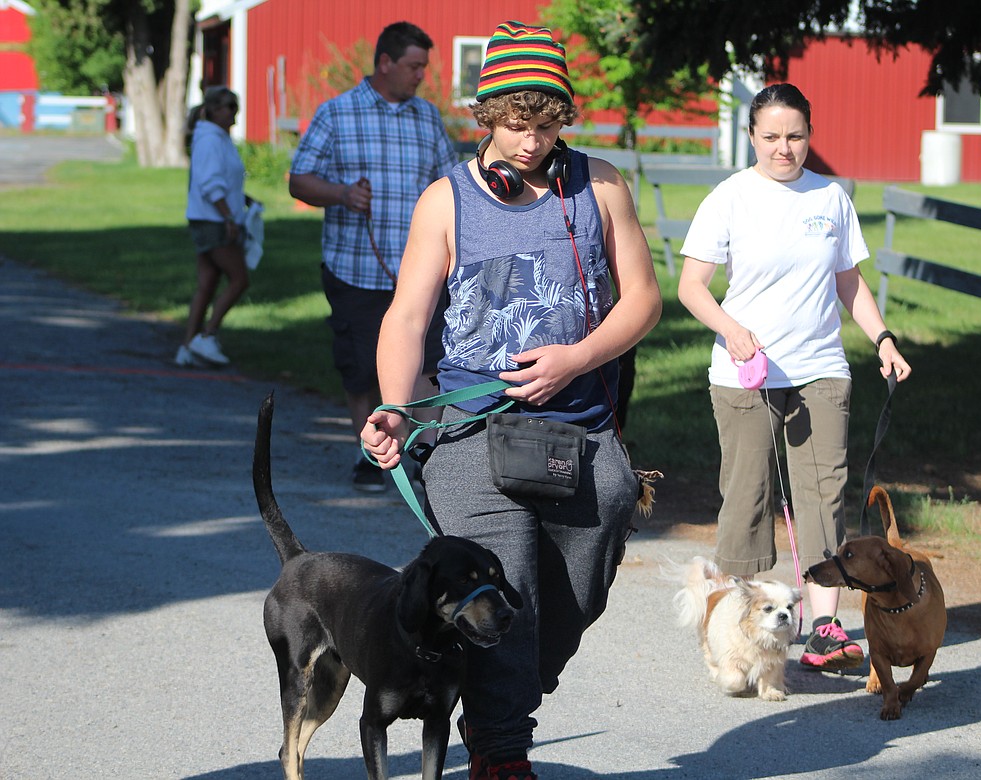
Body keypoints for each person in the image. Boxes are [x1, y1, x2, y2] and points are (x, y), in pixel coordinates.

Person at [360, 21, 661, 780]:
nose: (530, 143)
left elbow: (644, 301)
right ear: (487, 115)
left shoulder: (600, 187)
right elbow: (405, 317)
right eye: (516, 124)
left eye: (547, 124)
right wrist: (396, 404)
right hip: (470, 432)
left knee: (572, 596)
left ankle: (509, 683)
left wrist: (578, 358)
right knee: (509, 585)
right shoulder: (445, 200)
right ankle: (501, 749)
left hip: (582, 431)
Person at [677, 83, 912, 671]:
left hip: (820, 368)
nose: (785, 148)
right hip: (744, 372)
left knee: (824, 494)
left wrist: (881, 338)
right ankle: (738, 625)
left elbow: (848, 282)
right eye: (772, 136)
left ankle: (827, 626)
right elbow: (690, 287)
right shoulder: (730, 197)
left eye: (796, 136)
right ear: (752, 136)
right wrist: (731, 330)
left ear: (810, 135)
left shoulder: (831, 198)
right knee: (748, 493)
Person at [289, 21, 457, 492]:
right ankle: (371, 454)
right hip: (356, 268)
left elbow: (453, 186)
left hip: (422, 272)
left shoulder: (427, 117)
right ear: (385, 63)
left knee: (429, 364)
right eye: (413, 65)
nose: (421, 75)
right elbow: (299, 179)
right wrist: (342, 193)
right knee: (362, 367)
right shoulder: (336, 113)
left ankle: (425, 456)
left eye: (424, 66)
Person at [177, 86, 249, 368]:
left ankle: (187, 345)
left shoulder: (216, 138)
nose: (234, 113)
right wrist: (229, 217)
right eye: (229, 106)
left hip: (210, 217)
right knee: (239, 279)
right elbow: (210, 184)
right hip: (214, 221)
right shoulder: (210, 140)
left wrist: (242, 201)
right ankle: (207, 336)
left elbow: (223, 180)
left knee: (206, 284)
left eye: (236, 107)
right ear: (214, 110)